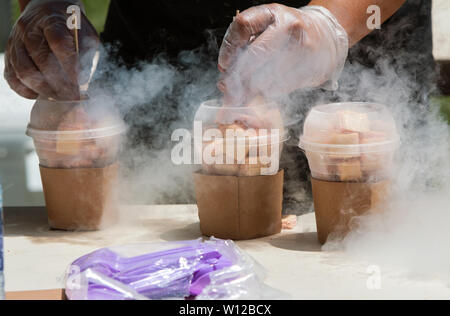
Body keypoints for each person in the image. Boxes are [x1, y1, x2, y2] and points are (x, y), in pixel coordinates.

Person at [3, 0, 435, 213]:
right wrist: (47, 5)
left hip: (356, 60)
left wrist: (332, 22)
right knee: (161, 263)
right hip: (156, 57)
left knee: (354, 261)